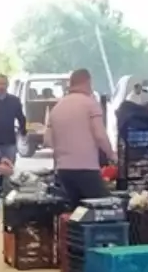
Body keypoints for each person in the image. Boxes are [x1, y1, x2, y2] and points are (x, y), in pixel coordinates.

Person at [45, 68, 115, 204]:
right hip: (86, 168)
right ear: (88, 82)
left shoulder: (57, 107)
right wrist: (111, 155)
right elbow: (100, 135)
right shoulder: (90, 104)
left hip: (63, 170)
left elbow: (47, 140)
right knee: (103, 207)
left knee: (76, 210)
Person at [0, 74, 26, 163]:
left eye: (3, 84)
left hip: (9, 142)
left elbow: (21, 118)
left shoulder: (14, 101)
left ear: (7, 85)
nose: (1, 87)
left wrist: (23, 132)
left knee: (9, 167)